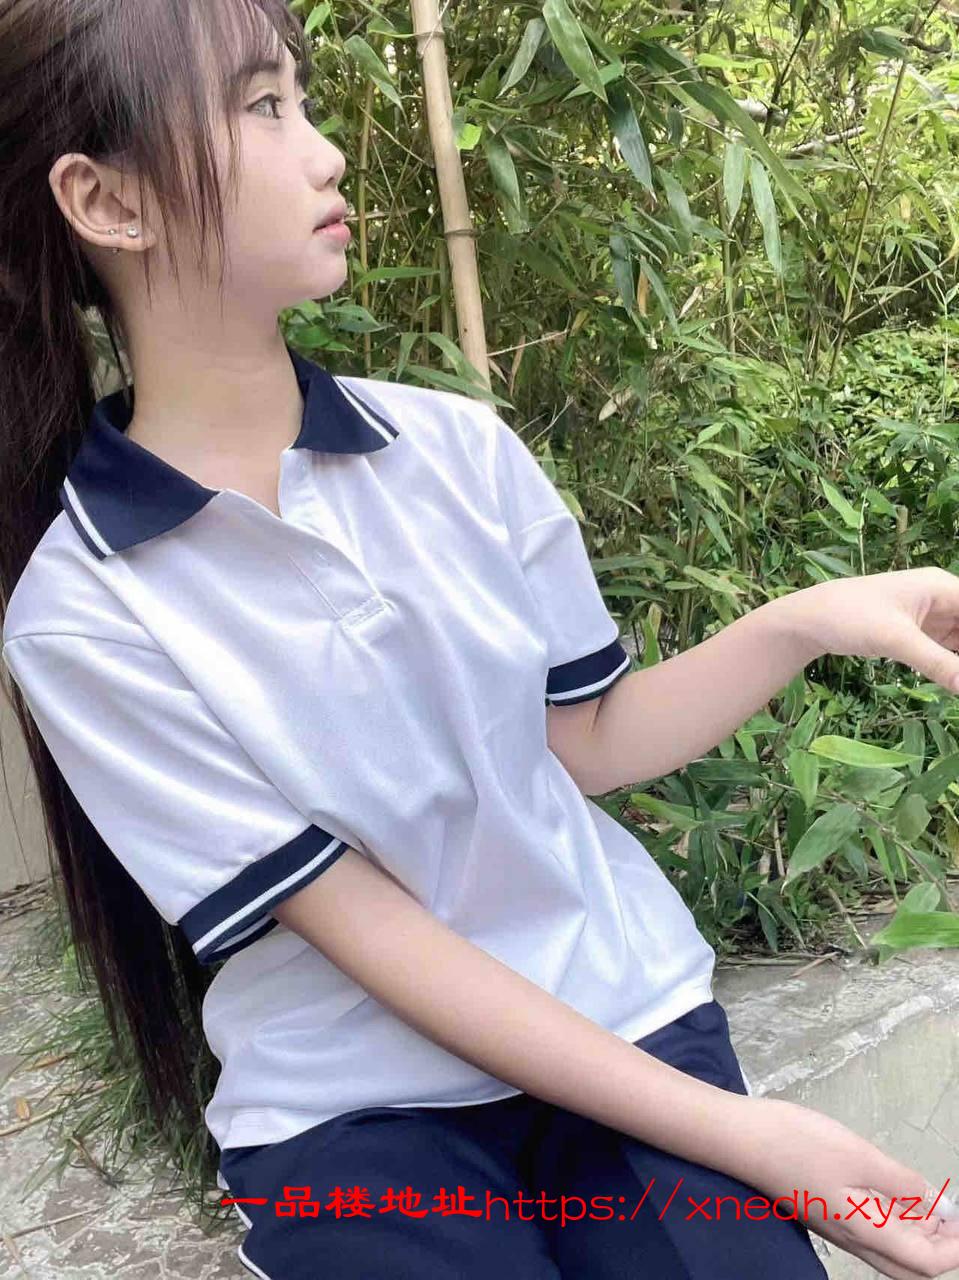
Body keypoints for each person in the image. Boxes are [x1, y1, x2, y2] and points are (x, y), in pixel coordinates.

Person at [1, 2, 958, 1277]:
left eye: (302, 99)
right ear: (106, 201)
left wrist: (803, 621)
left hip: (616, 1007)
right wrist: (752, 1135)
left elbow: (586, 740)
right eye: (263, 108)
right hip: (353, 1112)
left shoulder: (455, 450)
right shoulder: (83, 609)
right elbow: (375, 934)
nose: (327, 150)